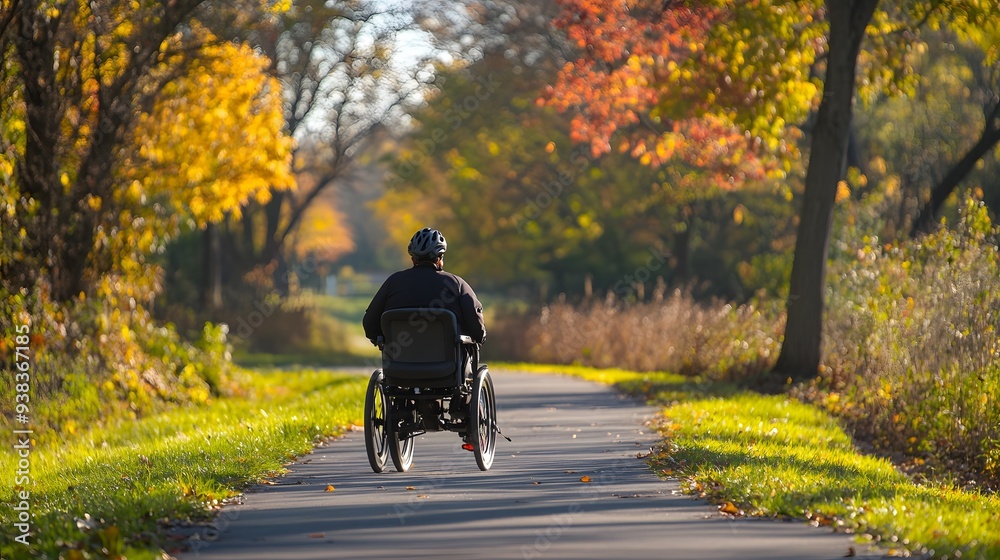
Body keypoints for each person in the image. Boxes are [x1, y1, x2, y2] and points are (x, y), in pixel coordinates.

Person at [363, 227, 486, 347]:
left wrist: (382, 337)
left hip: (399, 365)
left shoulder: (393, 282)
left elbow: (369, 324)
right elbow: (478, 332)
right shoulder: (456, 284)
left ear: (413, 259)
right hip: (448, 366)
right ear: (439, 258)